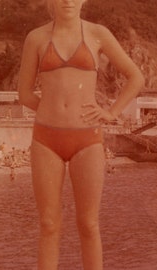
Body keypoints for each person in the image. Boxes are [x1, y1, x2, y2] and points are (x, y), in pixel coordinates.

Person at [17, 1, 144, 269]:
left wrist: (112, 112)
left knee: (88, 223)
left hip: (87, 138)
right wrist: (51, 110)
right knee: (49, 224)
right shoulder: (36, 38)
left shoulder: (98, 34)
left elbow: (136, 77)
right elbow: (24, 93)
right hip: (45, 140)